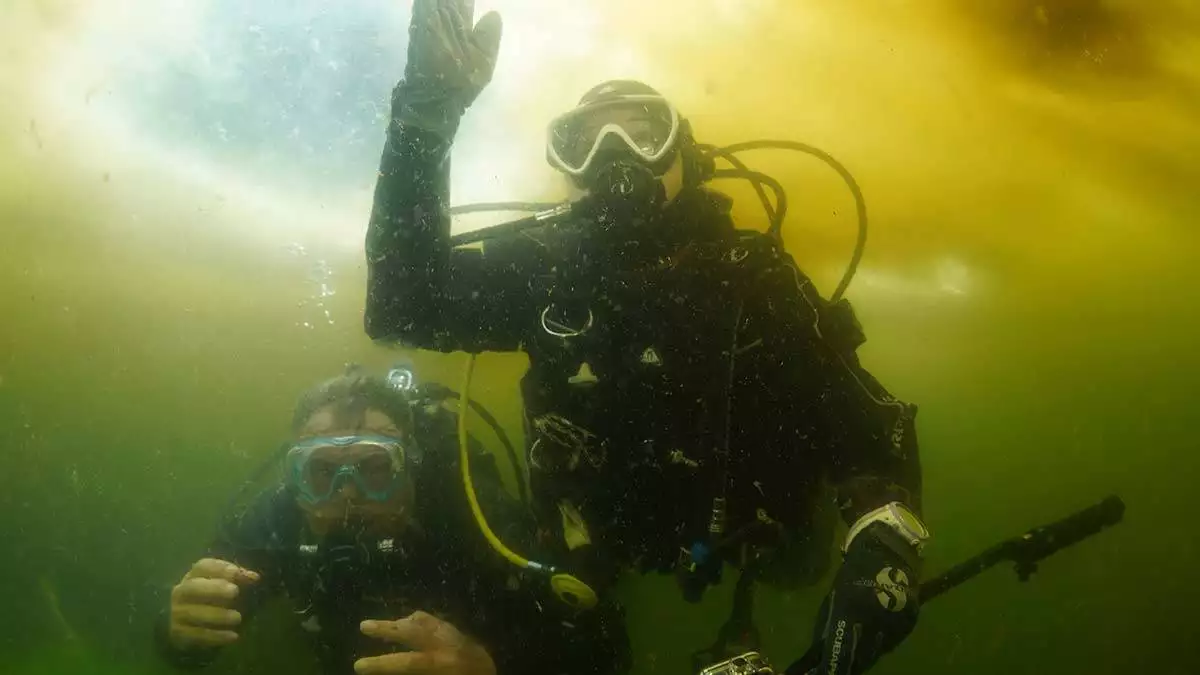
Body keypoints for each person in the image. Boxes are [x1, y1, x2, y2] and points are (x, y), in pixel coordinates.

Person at [364, 2, 930, 674]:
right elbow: (403, 305)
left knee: (796, 569)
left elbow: (872, 428)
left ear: (683, 156)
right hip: (593, 541)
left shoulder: (752, 278)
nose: (616, 158)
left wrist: (884, 540)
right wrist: (426, 116)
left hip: (755, 533)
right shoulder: (544, 272)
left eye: (642, 133)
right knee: (573, 628)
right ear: (568, 163)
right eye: (588, 141)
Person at [154, 367, 629, 675]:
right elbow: (200, 638)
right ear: (295, 476)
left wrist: (492, 665)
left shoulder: (473, 513)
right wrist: (176, 631)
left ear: (412, 465)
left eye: (375, 467)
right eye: (321, 471)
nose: (347, 493)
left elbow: (602, 649)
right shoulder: (279, 516)